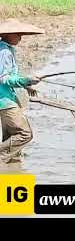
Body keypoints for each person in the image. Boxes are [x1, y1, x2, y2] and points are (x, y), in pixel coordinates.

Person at [0, 18, 44, 164]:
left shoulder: (6, 49)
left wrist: (26, 85)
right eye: (17, 34)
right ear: (7, 35)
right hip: (5, 100)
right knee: (25, 134)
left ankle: (10, 171)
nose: (20, 37)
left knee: (10, 138)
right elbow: (3, 78)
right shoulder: (4, 51)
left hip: (6, 98)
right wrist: (25, 80)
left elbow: (10, 75)